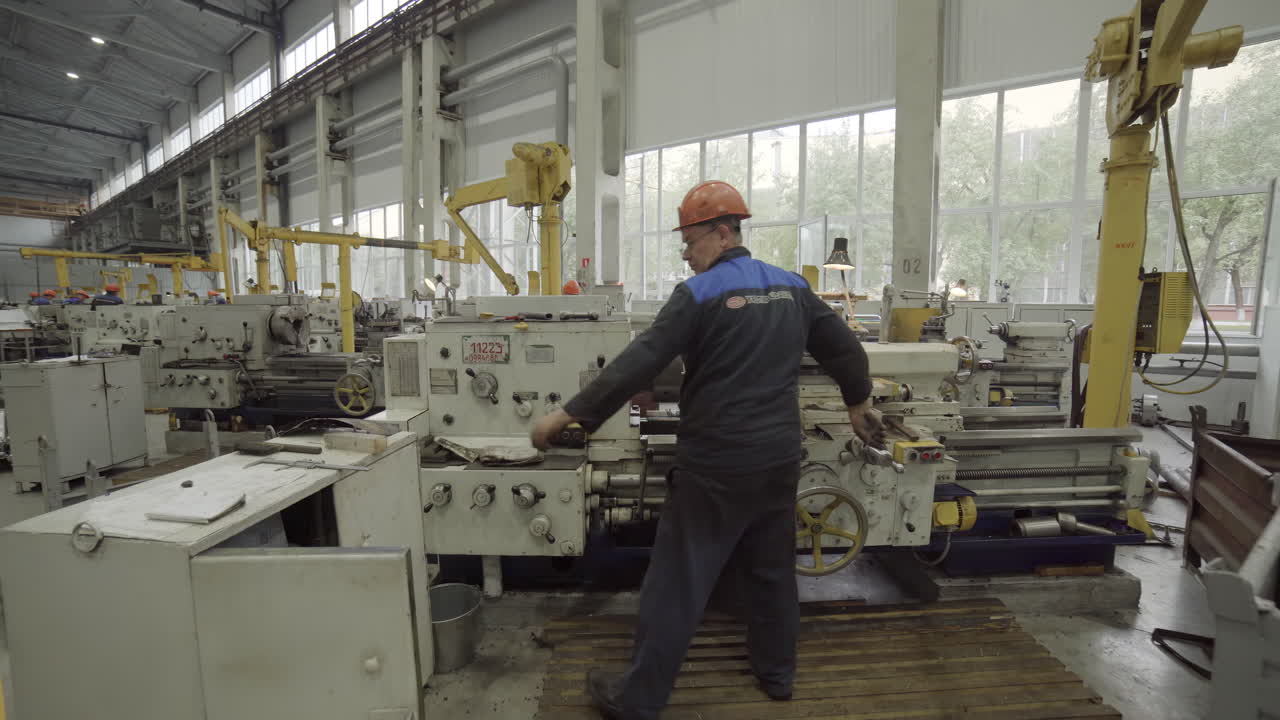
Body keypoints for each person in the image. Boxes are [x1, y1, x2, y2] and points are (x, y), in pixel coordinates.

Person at [530, 180, 883, 720]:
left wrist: (568, 415)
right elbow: (846, 351)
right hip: (778, 460)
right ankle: (777, 676)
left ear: (722, 233)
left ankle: (639, 698)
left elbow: (638, 361)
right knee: (770, 572)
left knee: (678, 579)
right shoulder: (791, 287)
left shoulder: (697, 295)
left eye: (689, 244)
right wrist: (859, 406)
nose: (686, 256)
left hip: (717, 463)